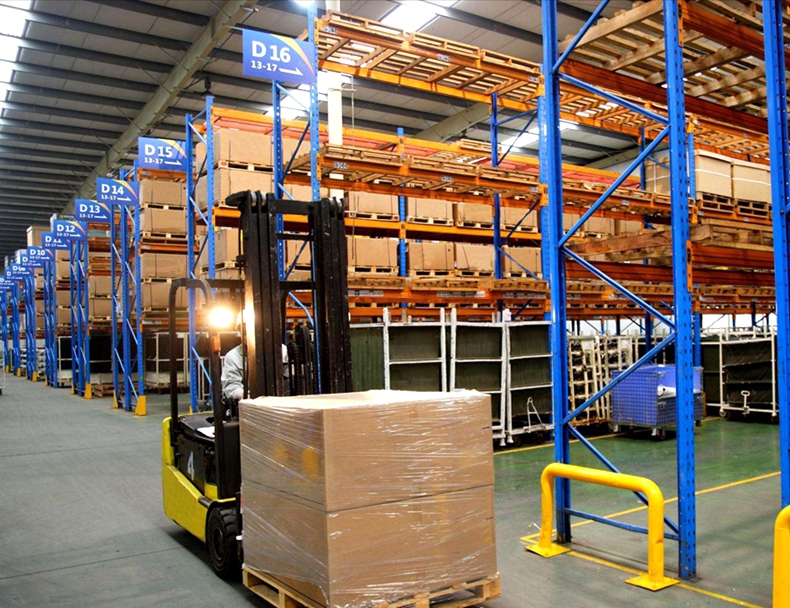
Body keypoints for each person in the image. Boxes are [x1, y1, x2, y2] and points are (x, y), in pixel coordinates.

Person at [221, 313, 289, 401]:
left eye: (255, 330)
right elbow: (231, 385)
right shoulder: (233, 356)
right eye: (245, 332)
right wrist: (245, 396)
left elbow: (290, 377)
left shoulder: (281, 350)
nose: (250, 335)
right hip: (249, 402)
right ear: (240, 333)